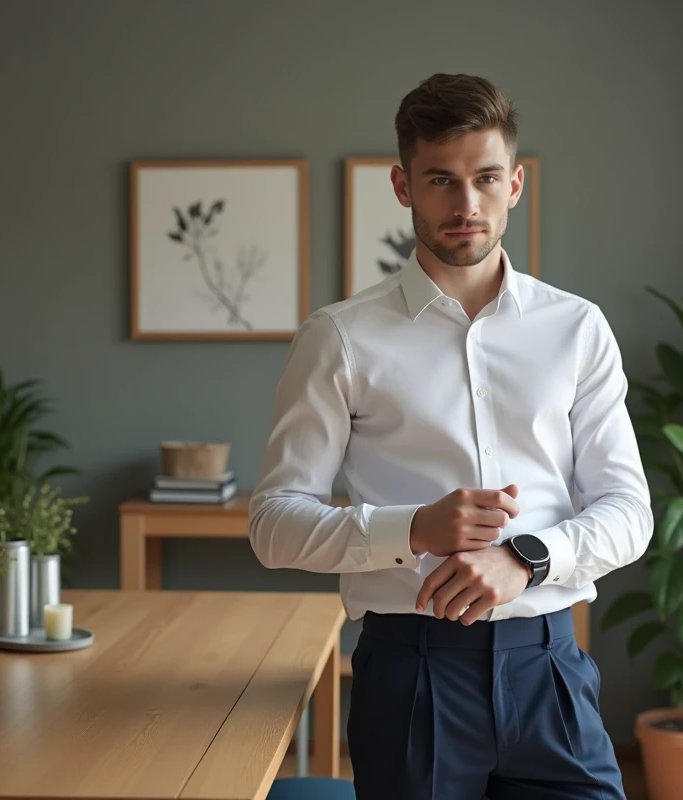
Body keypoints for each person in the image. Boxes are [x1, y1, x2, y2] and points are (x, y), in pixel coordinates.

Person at [248, 72, 653, 800]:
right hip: (413, 676)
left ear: (516, 183)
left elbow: (630, 512)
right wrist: (415, 529)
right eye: (441, 180)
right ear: (403, 186)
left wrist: (526, 558)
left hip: (549, 666)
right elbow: (274, 524)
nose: (466, 204)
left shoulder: (577, 329)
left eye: (486, 178)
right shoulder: (338, 337)